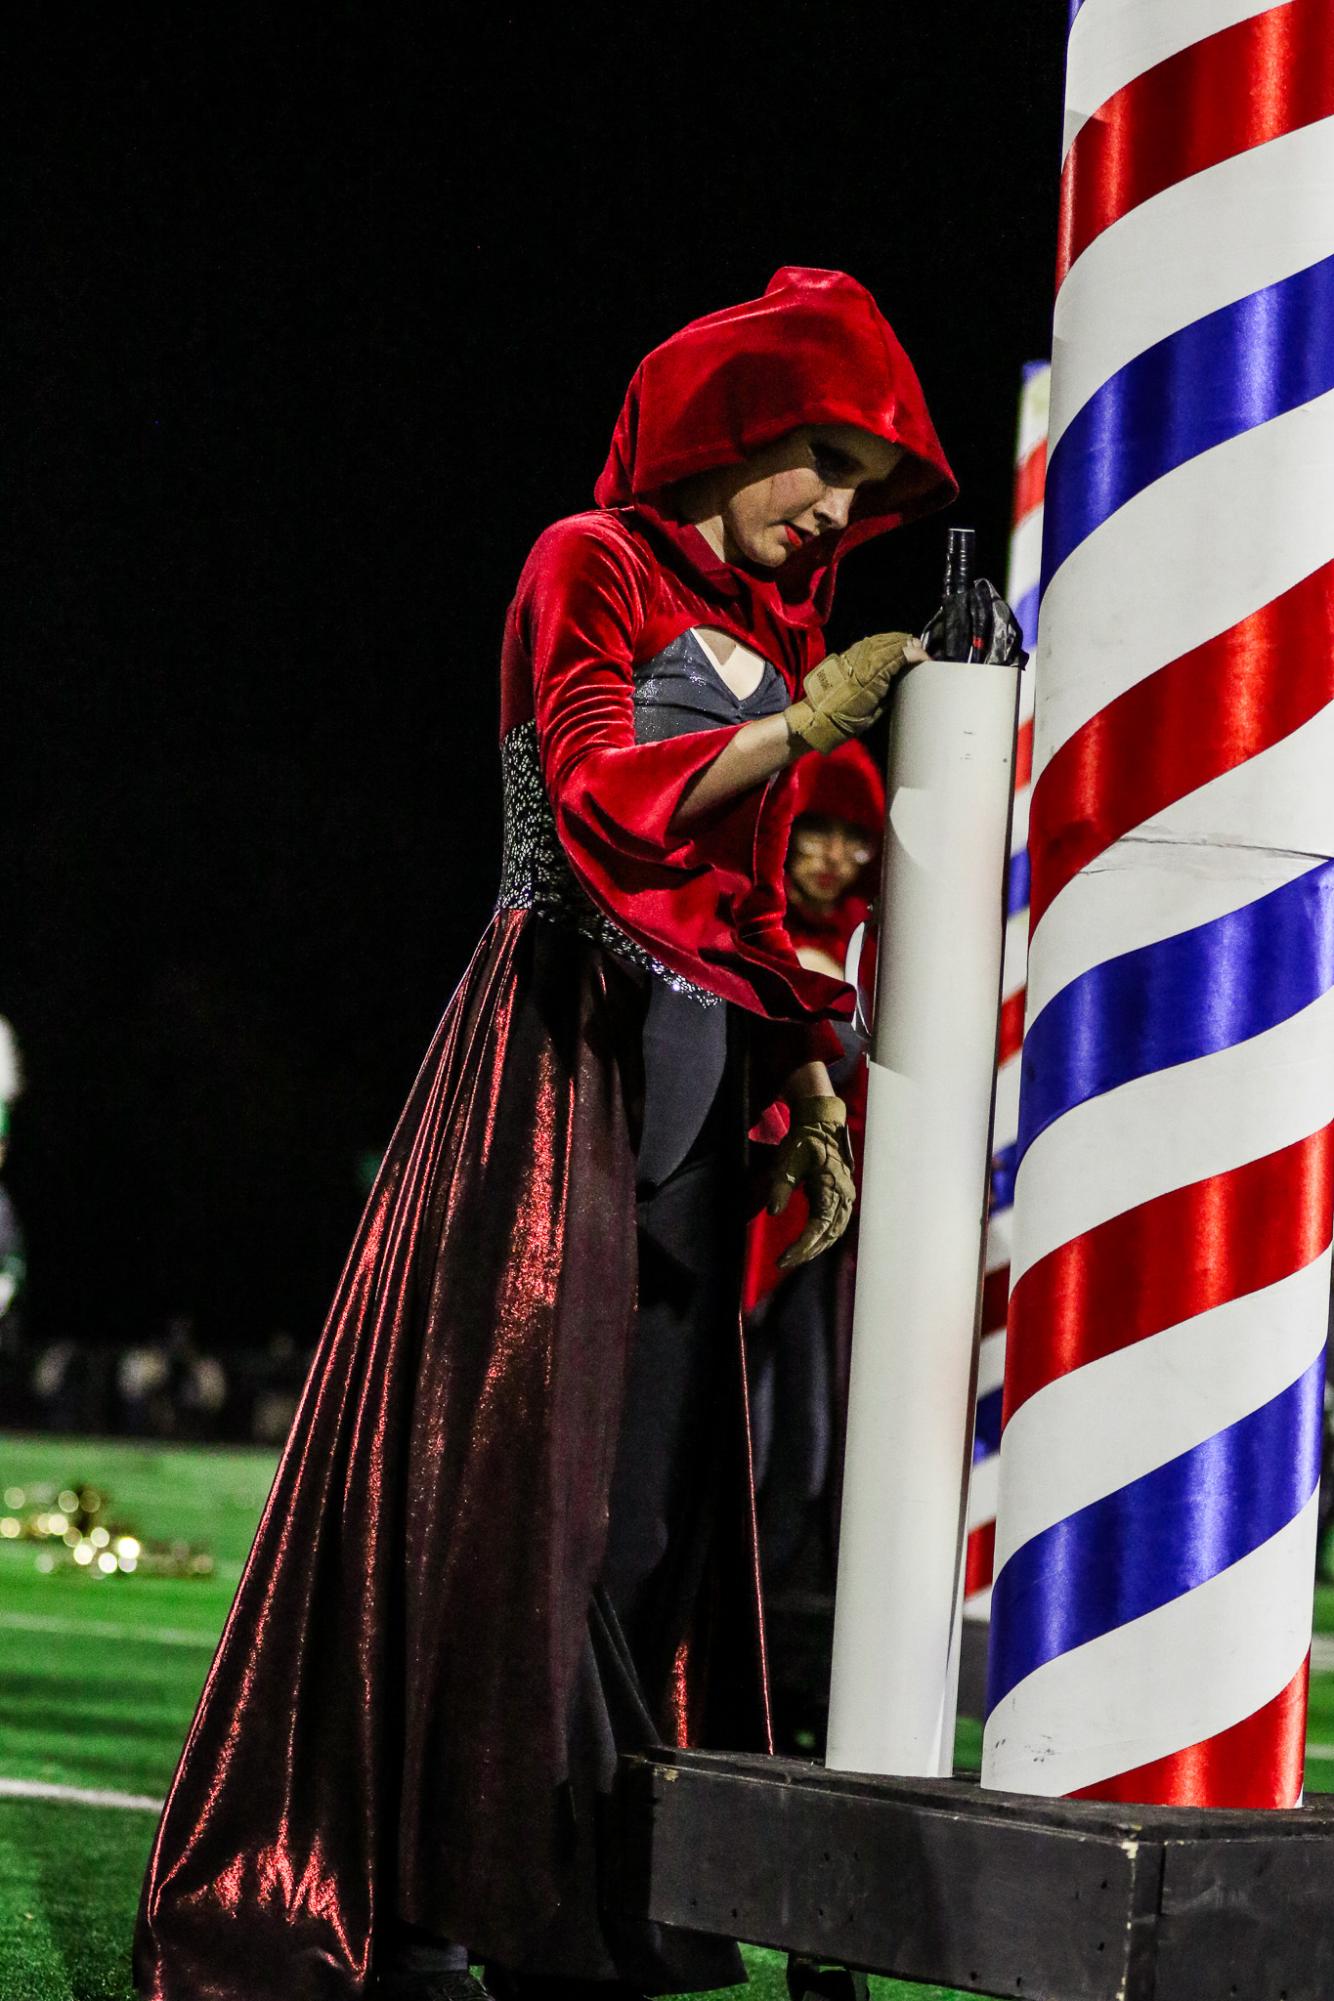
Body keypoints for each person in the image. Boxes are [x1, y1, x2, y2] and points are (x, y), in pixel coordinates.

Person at [134, 266, 955, 2001]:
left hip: (693, 1077)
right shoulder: (585, 561)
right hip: (553, 1053)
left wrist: (803, 1078)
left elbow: (738, 895)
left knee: (647, 1518)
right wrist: (793, 727)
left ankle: (580, 1893)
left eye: (867, 491)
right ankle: (434, 1900)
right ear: (730, 425)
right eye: (821, 460)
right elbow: (589, 804)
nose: (835, 510)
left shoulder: (780, 626)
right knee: (515, 1502)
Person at [745, 742, 884, 1608]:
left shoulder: (869, 952)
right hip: (754, 1220)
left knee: (807, 1447)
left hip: (824, 1239)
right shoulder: (746, 930)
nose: (834, 857)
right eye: (815, 832)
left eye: (853, 837)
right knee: (747, 1441)